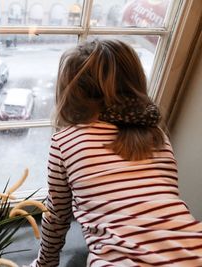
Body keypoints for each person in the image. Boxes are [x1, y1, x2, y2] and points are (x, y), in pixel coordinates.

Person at [31, 39, 202, 266]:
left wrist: (45, 263)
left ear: (71, 93)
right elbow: (158, 204)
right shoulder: (158, 137)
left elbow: (57, 216)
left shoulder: (65, 142)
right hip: (192, 247)